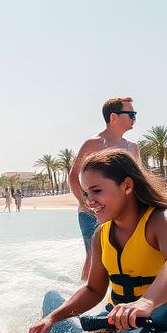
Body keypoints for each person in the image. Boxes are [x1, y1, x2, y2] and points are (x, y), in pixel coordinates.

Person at [25, 149, 167, 333]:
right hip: (120, 319)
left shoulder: (161, 219)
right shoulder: (102, 235)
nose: (90, 202)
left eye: (97, 191)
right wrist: (52, 318)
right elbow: (93, 289)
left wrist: (145, 303)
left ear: (127, 186)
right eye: (86, 194)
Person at [69, 96, 141, 279]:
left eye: (135, 114)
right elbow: (73, 175)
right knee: (93, 256)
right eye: (130, 113)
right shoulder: (93, 144)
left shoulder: (133, 148)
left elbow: (140, 179)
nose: (134, 118)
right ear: (113, 117)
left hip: (122, 213)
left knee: (126, 254)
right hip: (92, 212)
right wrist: (84, 202)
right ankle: (84, 294)